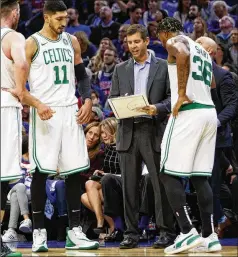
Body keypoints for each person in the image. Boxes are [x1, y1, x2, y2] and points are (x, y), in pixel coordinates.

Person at [25, 0, 99, 252]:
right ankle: (38, 232)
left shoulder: (71, 41)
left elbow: (82, 76)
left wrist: (87, 99)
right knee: (42, 171)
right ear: (46, 17)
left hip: (70, 111)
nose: (64, 22)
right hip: (45, 112)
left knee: (74, 171)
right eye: (58, 18)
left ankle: (75, 231)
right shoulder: (32, 43)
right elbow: (19, 85)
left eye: (65, 17)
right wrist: (36, 103)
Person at [156, 17, 222, 254]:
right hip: (207, 113)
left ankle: (186, 231)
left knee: (167, 172)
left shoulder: (177, 41)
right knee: (199, 177)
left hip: (189, 112)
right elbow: (212, 83)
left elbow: (181, 54)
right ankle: (209, 235)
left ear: (163, 33)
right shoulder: (203, 51)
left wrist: (182, 93)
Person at [109, 24, 176, 249]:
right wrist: (118, 107)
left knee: (159, 185)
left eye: (137, 42)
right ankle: (131, 233)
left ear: (147, 41)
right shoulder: (120, 69)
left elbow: (171, 99)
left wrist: (156, 108)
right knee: (129, 186)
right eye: (129, 43)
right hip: (127, 131)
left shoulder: (164, 66)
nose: (133, 46)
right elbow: (113, 98)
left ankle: (166, 232)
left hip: (152, 129)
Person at [1, 0, 53, 256]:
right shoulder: (14, 36)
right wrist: (21, 91)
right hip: (4, 104)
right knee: (3, 177)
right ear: (15, 13)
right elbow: (22, 64)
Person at [81, 118, 120, 236]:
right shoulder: (107, 148)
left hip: (121, 183)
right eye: (102, 133)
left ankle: (112, 225)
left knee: (90, 187)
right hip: (107, 182)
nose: (104, 136)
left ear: (114, 131)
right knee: (84, 196)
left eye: (105, 132)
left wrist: (105, 174)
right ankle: (105, 222)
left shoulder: (121, 148)